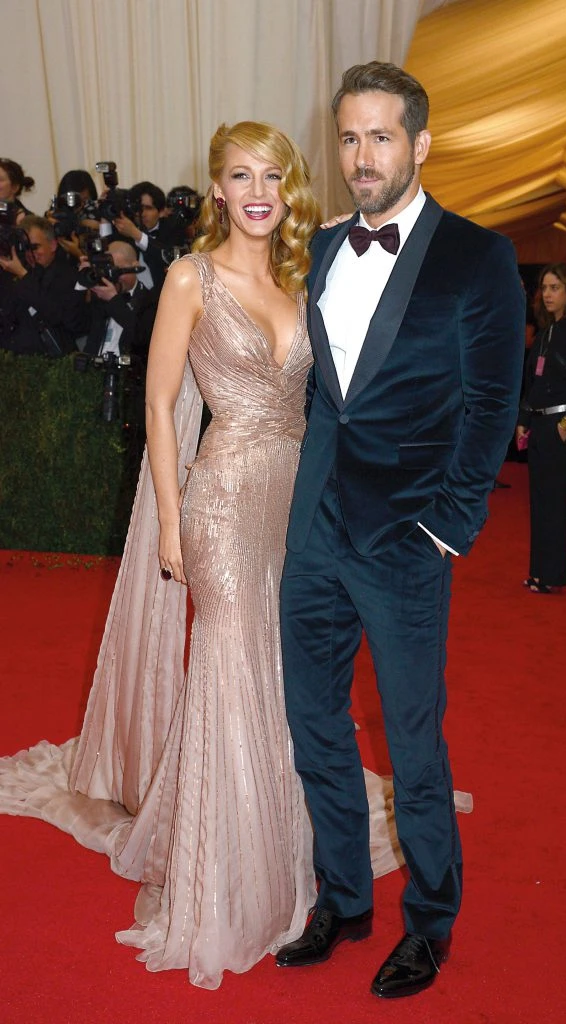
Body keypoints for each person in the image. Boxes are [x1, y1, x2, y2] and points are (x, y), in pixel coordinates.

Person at [0, 120, 423, 990]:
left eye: (272, 175)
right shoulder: (191, 277)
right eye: (240, 176)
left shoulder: (305, 278)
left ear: (288, 188)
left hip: (300, 504)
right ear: (219, 190)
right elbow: (159, 406)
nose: (257, 191)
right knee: (230, 666)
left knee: (288, 671)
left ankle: (282, 832)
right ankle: (223, 872)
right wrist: (169, 519)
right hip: (223, 501)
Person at [276, 61, 525, 999]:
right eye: (349, 137)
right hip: (314, 531)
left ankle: (429, 920)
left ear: (420, 143)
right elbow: (322, 394)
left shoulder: (476, 256)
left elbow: (492, 403)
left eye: (380, 137)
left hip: (406, 537)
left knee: (413, 744)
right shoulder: (321, 247)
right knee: (315, 726)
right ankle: (343, 898)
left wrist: (447, 528)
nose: (362, 156)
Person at [516, 264, 566, 593]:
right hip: (540, 422)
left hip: (561, 423)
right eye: (545, 288)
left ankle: (552, 575)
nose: (547, 294)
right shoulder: (548, 329)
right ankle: (539, 572)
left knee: (555, 502)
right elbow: (535, 379)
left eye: (555, 288)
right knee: (539, 501)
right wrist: (524, 418)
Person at [0, 214, 88, 355]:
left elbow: (56, 315)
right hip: (13, 357)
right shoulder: (16, 274)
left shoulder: (69, 276)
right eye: (25, 247)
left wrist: (23, 275)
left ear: (53, 245)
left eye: (35, 247)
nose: (30, 253)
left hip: (51, 361)